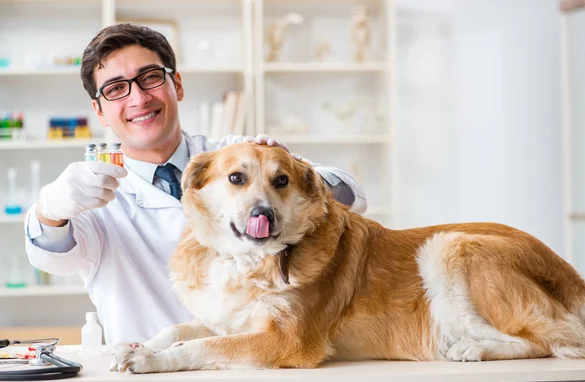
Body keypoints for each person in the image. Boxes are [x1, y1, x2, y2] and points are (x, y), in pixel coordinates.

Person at [24, 23, 367, 346]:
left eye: (150, 77)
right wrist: (51, 208)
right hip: (147, 381)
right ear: (99, 111)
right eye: (116, 89)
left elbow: (352, 196)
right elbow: (51, 258)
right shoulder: (93, 192)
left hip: (249, 370)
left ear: (178, 85)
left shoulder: (236, 154)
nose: (139, 98)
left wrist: (291, 179)